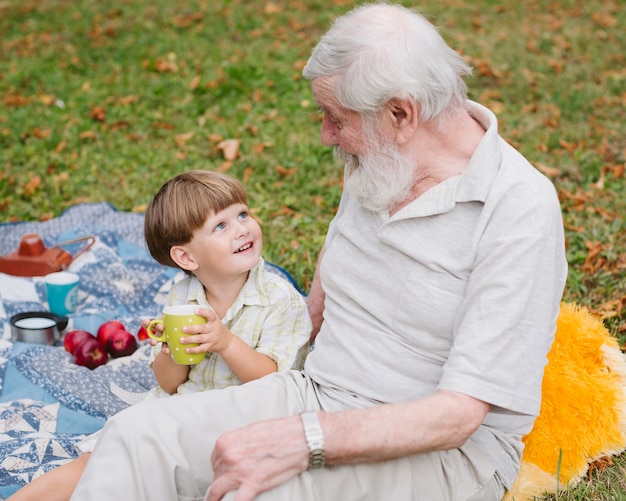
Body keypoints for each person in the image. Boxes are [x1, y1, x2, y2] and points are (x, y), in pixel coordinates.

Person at [69, 3, 568, 500]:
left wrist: (303, 441)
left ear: (400, 113)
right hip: (318, 395)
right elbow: (336, 258)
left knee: (265, 492)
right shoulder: (383, 158)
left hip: (442, 453)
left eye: (335, 117)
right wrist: (286, 354)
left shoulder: (518, 208)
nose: (326, 134)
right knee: (137, 434)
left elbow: (458, 417)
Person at [7, 170, 311, 501]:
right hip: (179, 409)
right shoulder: (184, 296)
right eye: (221, 226)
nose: (242, 228)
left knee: (131, 472)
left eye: (242, 214)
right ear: (186, 257)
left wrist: (226, 343)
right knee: (98, 458)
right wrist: (170, 350)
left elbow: (277, 387)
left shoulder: (280, 300)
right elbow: (169, 384)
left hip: (244, 422)